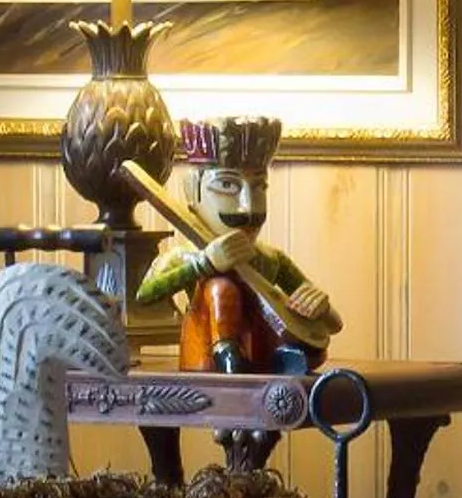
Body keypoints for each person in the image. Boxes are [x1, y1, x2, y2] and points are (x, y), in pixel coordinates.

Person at [133, 115, 342, 374]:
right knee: (220, 286)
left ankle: (275, 360)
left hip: (262, 353)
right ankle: (227, 352)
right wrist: (203, 264)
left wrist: (321, 308)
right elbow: (144, 297)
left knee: (314, 351)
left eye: (259, 187)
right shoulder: (186, 256)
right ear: (192, 192)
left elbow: (334, 324)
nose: (248, 207)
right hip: (205, 357)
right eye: (227, 185)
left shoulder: (270, 259)